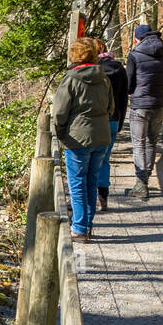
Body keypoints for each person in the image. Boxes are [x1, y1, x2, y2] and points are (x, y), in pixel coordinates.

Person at [52, 36, 115, 242]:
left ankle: (79, 227)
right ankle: (87, 225)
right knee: (91, 181)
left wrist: (61, 131)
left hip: (78, 139)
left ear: (75, 55)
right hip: (101, 136)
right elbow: (110, 108)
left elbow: (60, 112)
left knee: (77, 183)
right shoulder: (104, 78)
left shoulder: (71, 79)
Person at [125, 23, 163, 199]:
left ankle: (140, 183)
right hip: (160, 104)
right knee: (151, 142)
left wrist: (132, 93)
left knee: (138, 143)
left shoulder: (135, 55)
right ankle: (146, 178)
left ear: (137, 39)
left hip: (140, 104)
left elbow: (128, 83)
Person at [91, 37, 129, 211]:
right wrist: (120, 121)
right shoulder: (119, 69)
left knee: (87, 162)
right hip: (113, 120)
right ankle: (102, 197)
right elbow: (123, 99)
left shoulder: (92, 70)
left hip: (94, 122)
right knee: (104, 160)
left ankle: (86, 200)